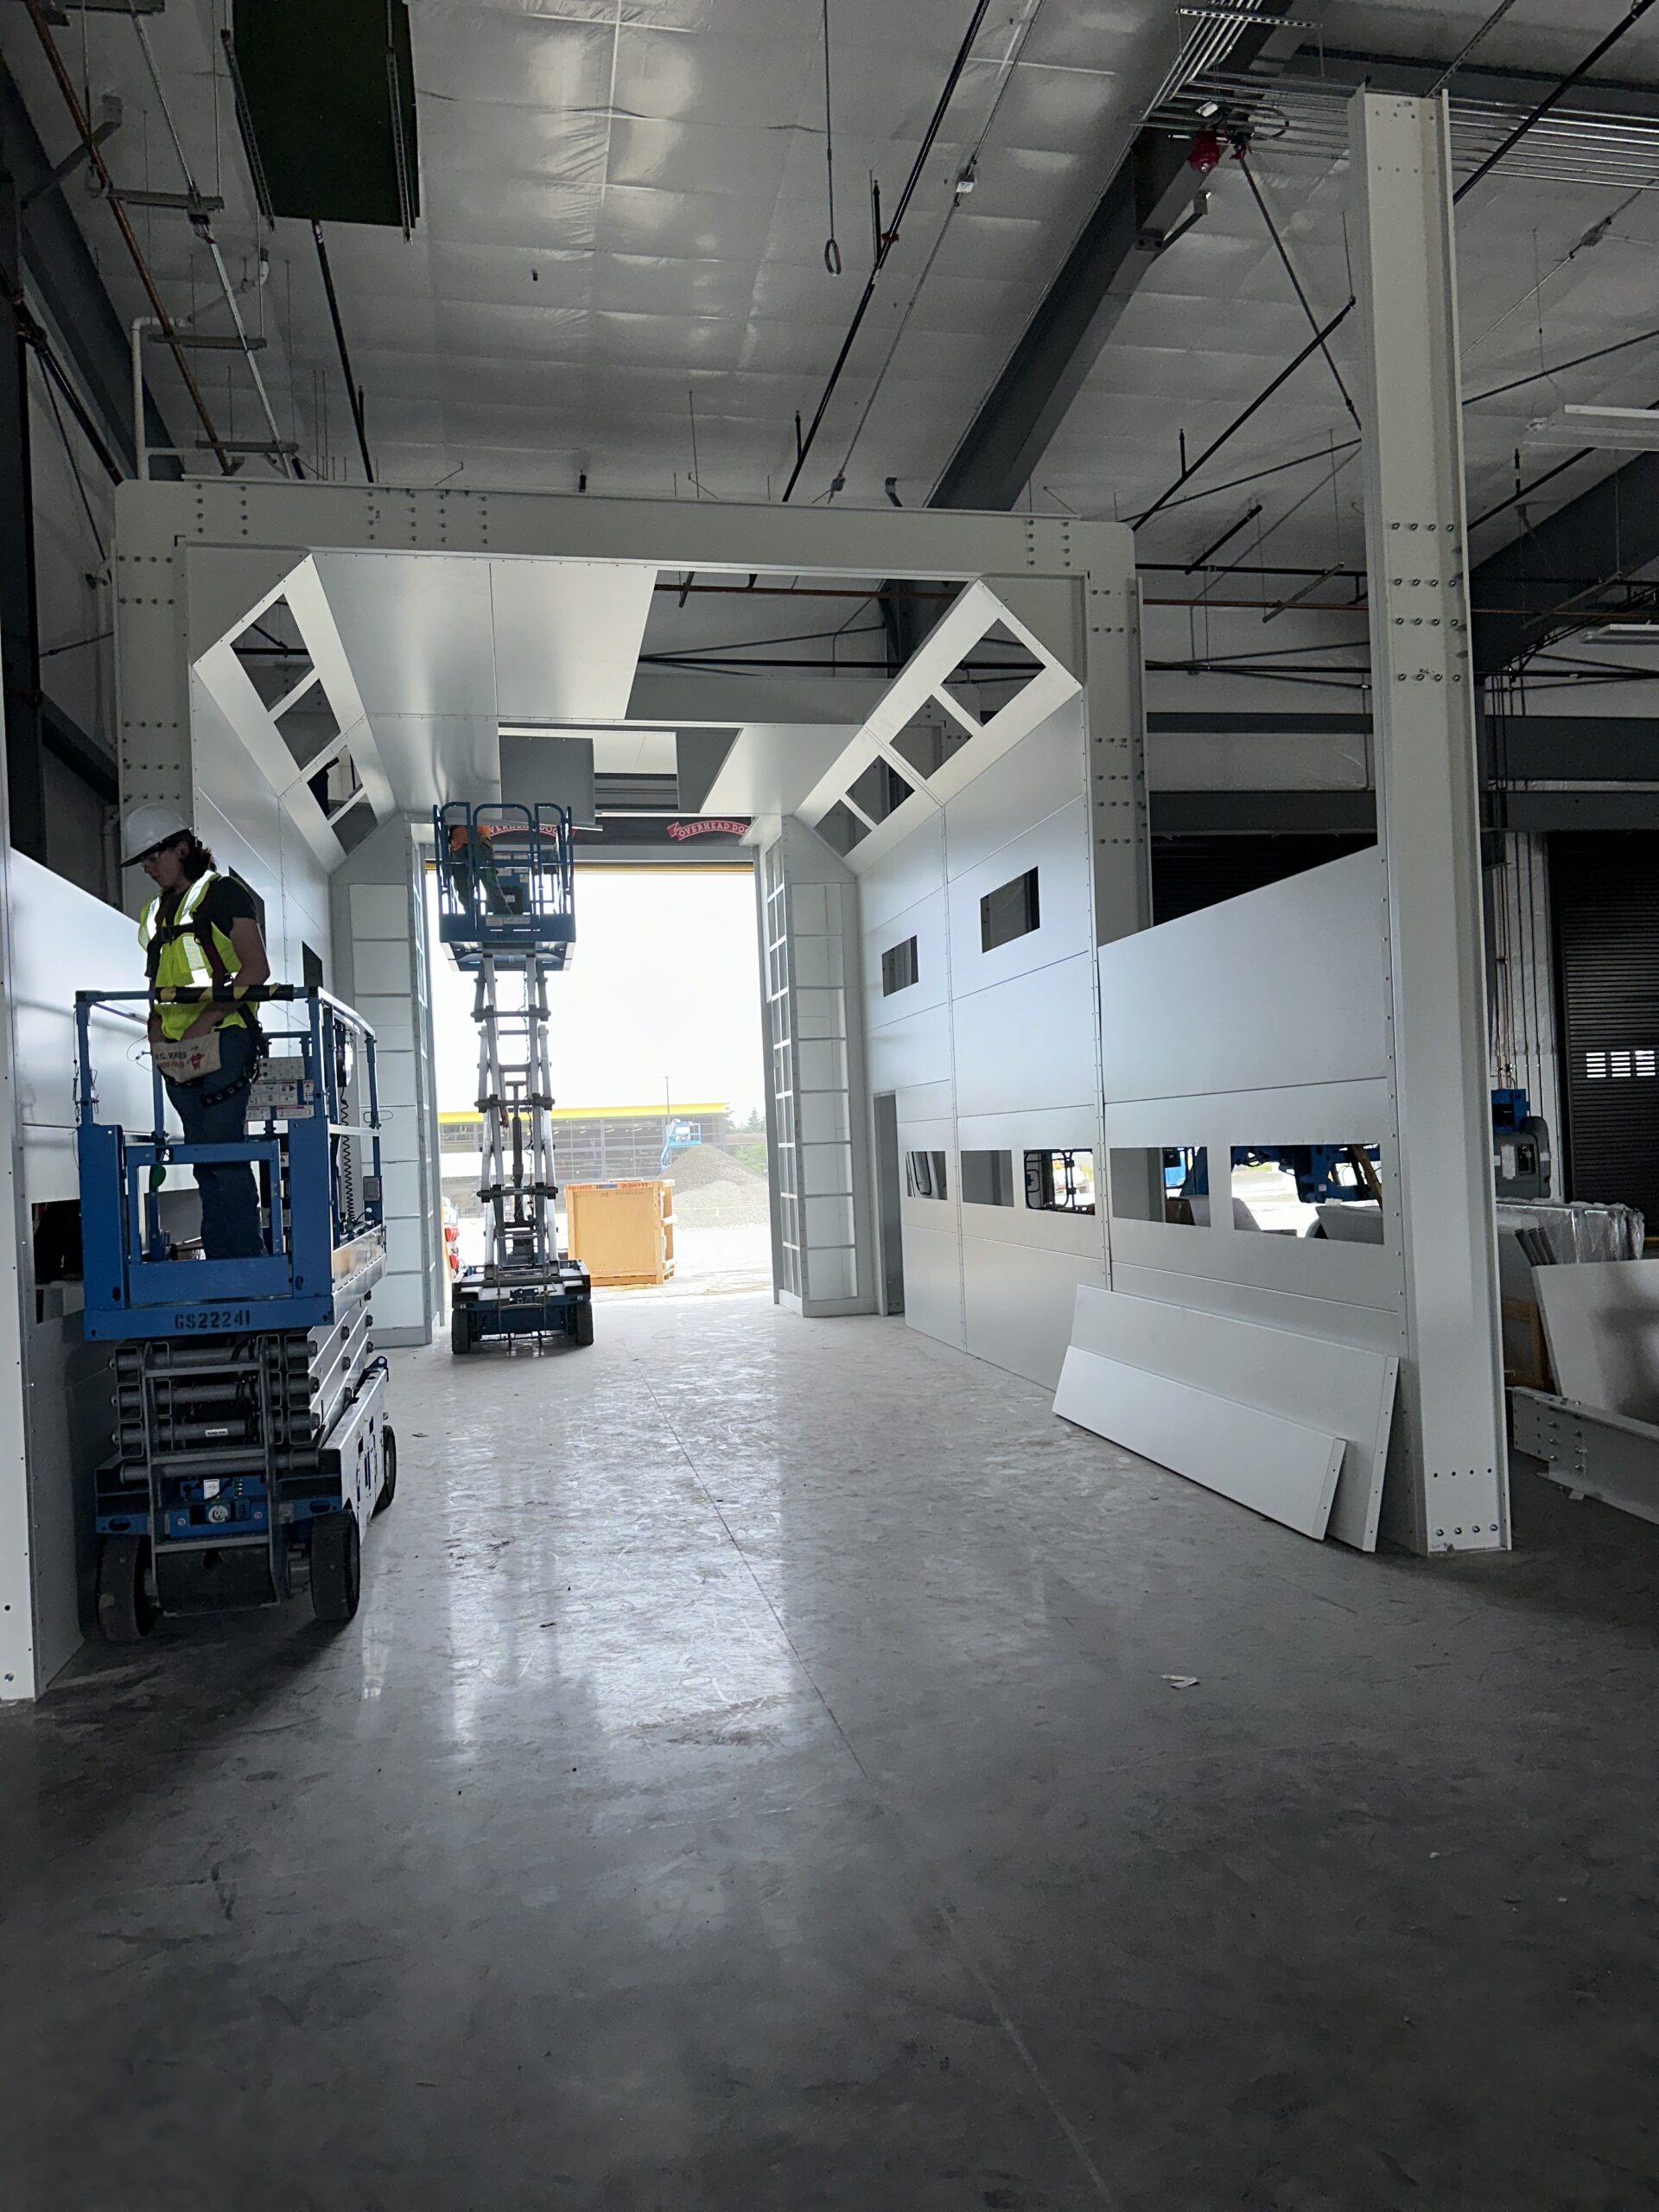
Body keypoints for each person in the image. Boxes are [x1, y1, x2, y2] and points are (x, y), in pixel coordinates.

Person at [122, 805, 271, 1262]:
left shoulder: (223, 894)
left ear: (181, 849)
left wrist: (207, 1019)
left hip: (222, 1038)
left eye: (153, 857)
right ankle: (225, 1267)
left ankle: (246, 1265)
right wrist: (156, 1032)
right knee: (205, 1160)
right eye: (143, 861)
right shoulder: (155, 913)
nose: (148, 868)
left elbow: (257, 970)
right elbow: (157, 984)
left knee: (223, 1157)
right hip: (175, 1049)